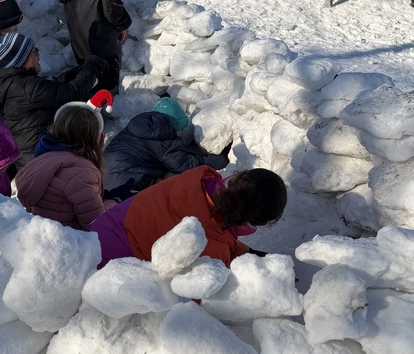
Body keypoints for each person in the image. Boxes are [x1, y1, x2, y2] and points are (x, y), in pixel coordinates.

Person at [88, 166, 287, 269]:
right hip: (105, 271)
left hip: (94, 234)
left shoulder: (196, 180)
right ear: (254, 222)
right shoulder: (208, 251)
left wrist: (247, 252)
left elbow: (217, 228)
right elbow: (194, 302)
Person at [0, 31, 106, 167]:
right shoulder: (28, 87)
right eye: (33, 51)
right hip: (39, 157)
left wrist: (77, 72)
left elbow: (52, 87)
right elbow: (71, 93)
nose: (38, 54)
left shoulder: (13, 84)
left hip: (28, 157)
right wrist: (92, 67)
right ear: (23, 60)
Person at [103, 96, 227, 202]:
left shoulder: (138, 125)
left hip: (101, 178)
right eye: (181, 130)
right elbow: (184, 164)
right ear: (175, 127)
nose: (182, 133)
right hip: (125, 185)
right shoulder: (164, 139)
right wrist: (218, 160)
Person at [15, 103, 112, 229]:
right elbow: (96, 225)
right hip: (72, 241)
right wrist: (113, 204)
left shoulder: (43, 159)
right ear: (94, 139)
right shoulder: (82, 174)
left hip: (45, 232)